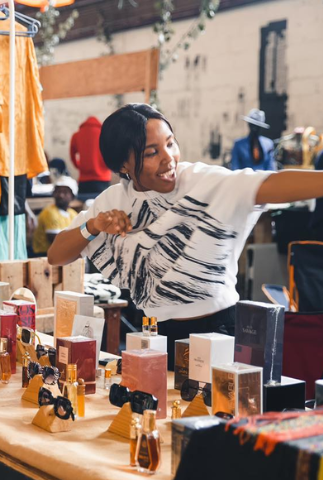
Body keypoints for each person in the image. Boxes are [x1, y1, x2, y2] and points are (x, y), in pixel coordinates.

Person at [49, 104, 323, 369]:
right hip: (156, 336)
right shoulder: (114, 200)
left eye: (171, 143)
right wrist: (94, 226)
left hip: (219, 331)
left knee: (214, 413)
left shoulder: (204, 182)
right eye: (151, 153)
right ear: (123, 164)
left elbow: (269, 183)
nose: (169, 158)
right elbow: (56, 255)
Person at [32, 176, 78, 254]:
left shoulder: (73, 214)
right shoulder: (50, 212)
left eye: (65, 192)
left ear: (72, 196)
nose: (61, 195)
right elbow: (57, 242)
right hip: (45, 256)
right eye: (58, 191)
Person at [71, 116, 112, 200]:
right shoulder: (105, 135)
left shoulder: (77, 135)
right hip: (103, 180)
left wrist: (78, 166)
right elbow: (112, 154)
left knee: (84, 209)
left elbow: (72, 154)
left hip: (84, 180)